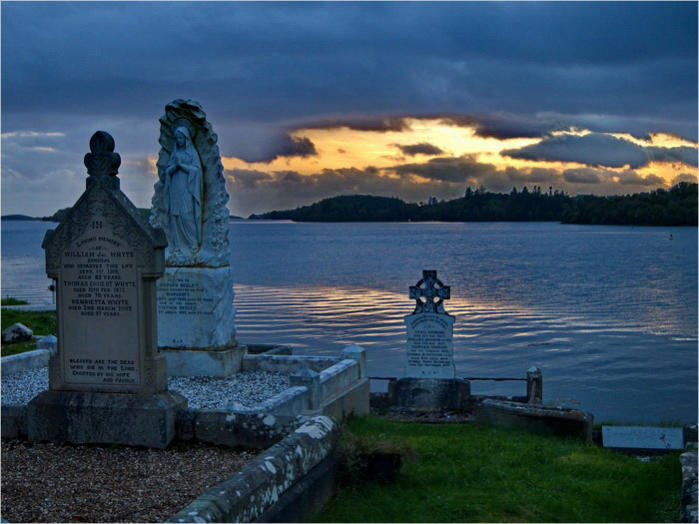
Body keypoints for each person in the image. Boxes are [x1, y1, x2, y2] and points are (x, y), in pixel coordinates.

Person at [164, 126, 202, 257]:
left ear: (186, 139)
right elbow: (168, 171)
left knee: (187, 215)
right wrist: (175, 166)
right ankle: (177, 246)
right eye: (177, 138)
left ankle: (193, 244)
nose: (179, 140)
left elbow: (196, 170)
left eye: (181, 138)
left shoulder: (192, 153)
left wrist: (181, 165)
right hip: (175, 188)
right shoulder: (174, 154)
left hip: (187, 188)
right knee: (175, 216)